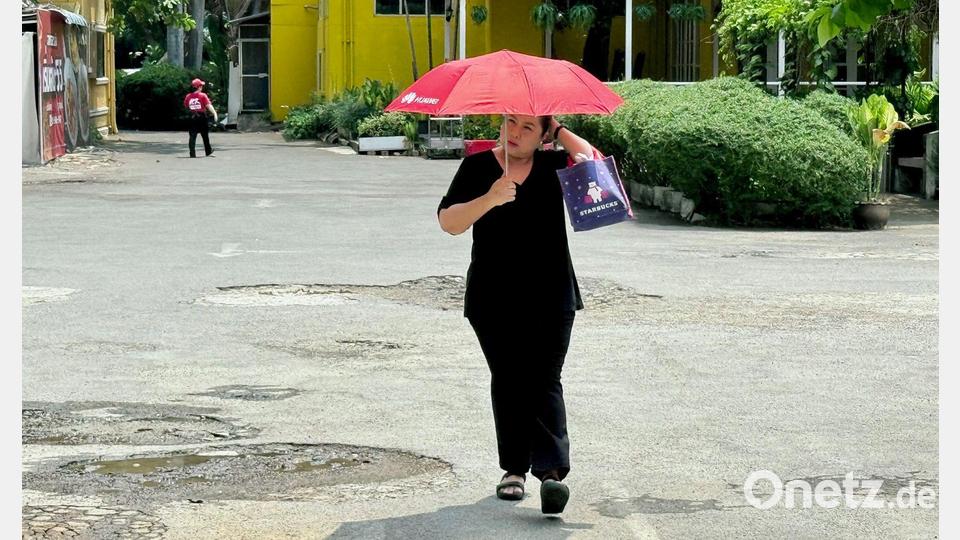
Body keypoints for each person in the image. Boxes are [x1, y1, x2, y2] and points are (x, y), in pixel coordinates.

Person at [436, 114, 594, 515]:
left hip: (552, 292)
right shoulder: (478, 166)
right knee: (508, 378)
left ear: (543, 136)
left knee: (545, 377)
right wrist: (490, 198)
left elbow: (592, 162)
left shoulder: (554, 164)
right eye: (510, 122)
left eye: (527, 127)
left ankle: (552, 475)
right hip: (494, 296)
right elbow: (448, 222)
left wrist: (559, 130)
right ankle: (514, 471)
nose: (515, 133)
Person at [183, 78, 218, 158]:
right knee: (205, 135)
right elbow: (208, 106)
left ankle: (192, 153)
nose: (202, 87)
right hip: (201, 116)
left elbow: (186, 106)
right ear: (198, 87)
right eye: (201, 86)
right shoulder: (202, 95)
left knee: (192, 136)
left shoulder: (188, 96)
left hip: (192, 117)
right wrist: (215, 113)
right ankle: (208, 152)